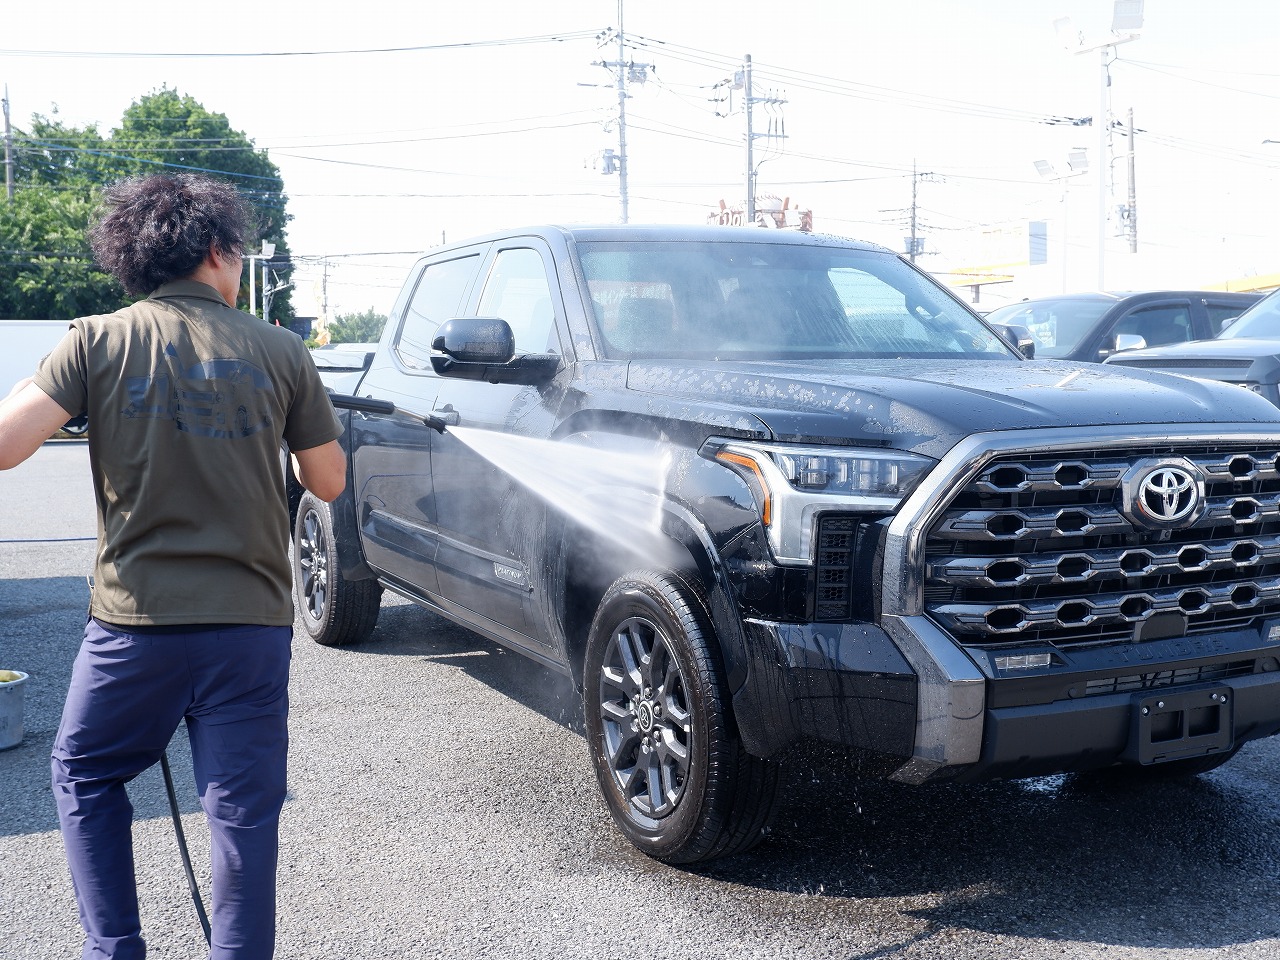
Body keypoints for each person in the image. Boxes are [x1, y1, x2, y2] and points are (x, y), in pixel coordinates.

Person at [0, 173, 346, 960]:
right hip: (250, 626)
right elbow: (327, 482)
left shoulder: (95, 339)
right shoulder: (282, 349)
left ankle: (114, 948)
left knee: (86, 774)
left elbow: (6, 446)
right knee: (242, 810)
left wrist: (31, 385)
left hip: (134, 627)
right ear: (217, 251)